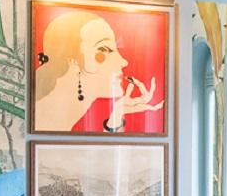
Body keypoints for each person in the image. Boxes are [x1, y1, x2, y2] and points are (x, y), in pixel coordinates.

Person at [33, 9, 161, 132]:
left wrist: (115, 118)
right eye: (105, 50)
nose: (124, 62)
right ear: (72, 60)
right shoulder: (42, 118)